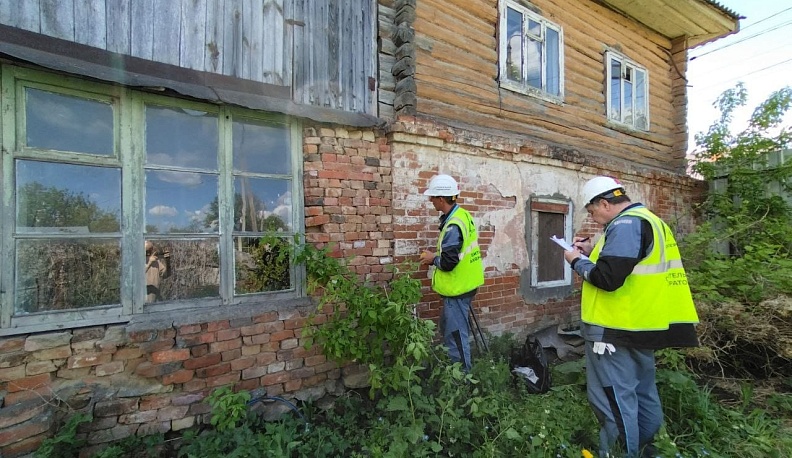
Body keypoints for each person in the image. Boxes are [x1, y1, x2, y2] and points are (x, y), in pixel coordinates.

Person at [563, 176, 699, 458]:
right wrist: (591, 251)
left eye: (592, 212)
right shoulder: (649, 220)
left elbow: (607, 278)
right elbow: (629, 265)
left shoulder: (625, 225)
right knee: (643, 393)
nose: (594, 218)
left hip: (615, 329)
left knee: (614, 400)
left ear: (604, 203)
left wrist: (576, 260)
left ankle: (618, 453)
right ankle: (648, 450)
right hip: (643, 325)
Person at [419, 174, 485, 371]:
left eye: (433, 197)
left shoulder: (453, 225)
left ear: (441, 199)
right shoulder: (462, 215)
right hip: (464, 285)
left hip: (458, 290)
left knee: (456, 337)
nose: (431, 201)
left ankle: (463, 381)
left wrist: (432, 259)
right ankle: (457, 374)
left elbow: (448, 262)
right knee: (450, 331)